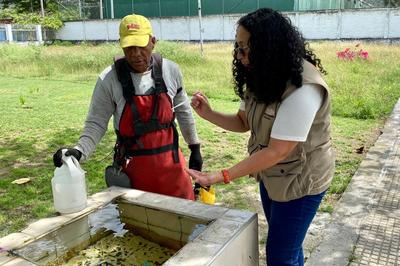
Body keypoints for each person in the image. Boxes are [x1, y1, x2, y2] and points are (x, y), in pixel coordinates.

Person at [186, 8, 334, 265]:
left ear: (269, 47)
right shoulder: (261, 74)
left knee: (279, 255)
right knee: (289, 248)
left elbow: (278, 150)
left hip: (301, 183)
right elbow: (243, 122)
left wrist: (220, 176)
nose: (240, 56)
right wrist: (208, 114)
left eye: (246, 48)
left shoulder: (304, 87)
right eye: (238, 47)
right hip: (271, 175)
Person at [53, 14, 202, 200]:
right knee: (137, 225)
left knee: (182, 222)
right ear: (121, 44)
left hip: (173, 171)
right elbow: (96, 123)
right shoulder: (109, 78)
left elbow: (183, 111)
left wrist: (194, 147)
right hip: (134, 174)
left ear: (152, 42)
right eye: (129, 47)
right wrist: (79, 152)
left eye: (141, 45)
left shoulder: (171, 71)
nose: (135, 53)